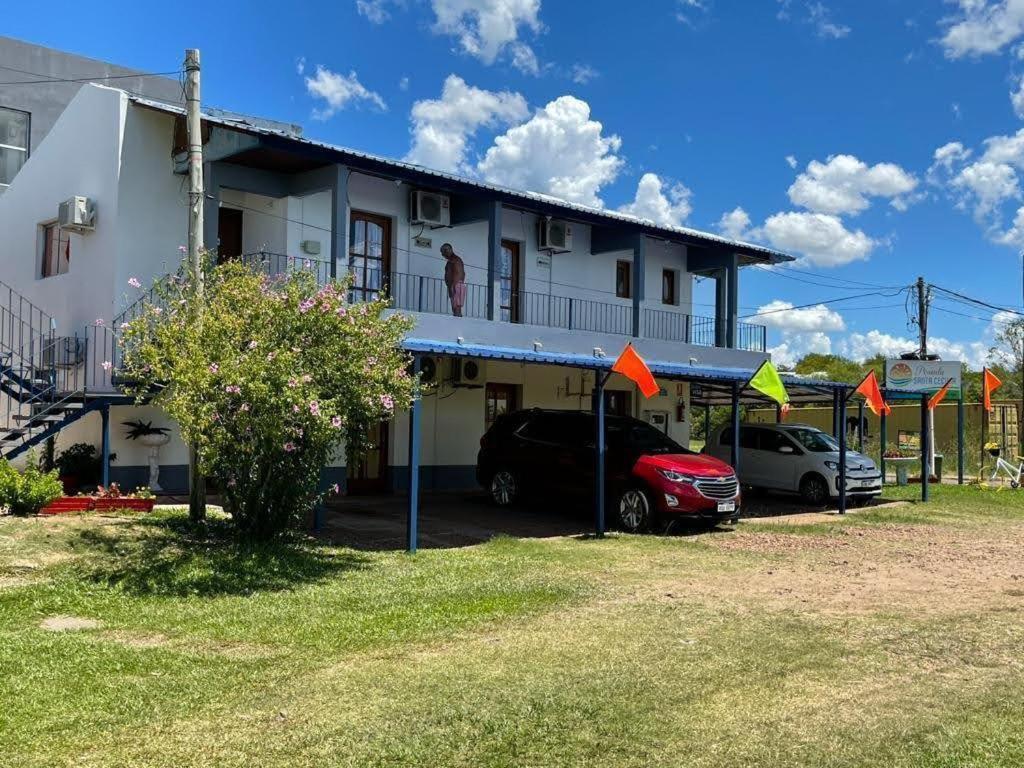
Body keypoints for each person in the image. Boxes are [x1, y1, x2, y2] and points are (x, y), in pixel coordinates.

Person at [440, 243, 466, 317]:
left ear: (449, 250)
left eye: (443, 252)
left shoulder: (456, 260)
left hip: (456, 286)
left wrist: (453, 286)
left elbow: (459, 274)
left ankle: (458, 325)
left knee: (456, 308)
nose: (442, 255)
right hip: (454, 286)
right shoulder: (451, 260)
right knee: (454, 308)